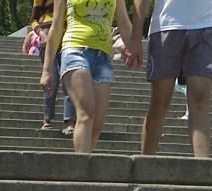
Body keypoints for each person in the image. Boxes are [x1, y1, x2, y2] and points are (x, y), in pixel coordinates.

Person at [39, 0, 141, 155]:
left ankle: (83, 161)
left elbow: (124, 22)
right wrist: (47, 69)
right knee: (86, 113)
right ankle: (83, 174)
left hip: (104, 57)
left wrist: (134, 47)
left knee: (97, 125)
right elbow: (56, 27)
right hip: (75, 50)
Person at [137, 0, 212, 157]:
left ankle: (202, 170)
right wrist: (135, 36)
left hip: (205, 26)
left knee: (200, 99)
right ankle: (145, 162)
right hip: (167, 26)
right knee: (160, 101)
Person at [25, 0, 75, 133]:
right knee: (51, 81)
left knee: (69, 81)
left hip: (68, 37)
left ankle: (70, 120)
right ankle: (47, 118)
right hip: (47, 37)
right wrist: (42, 34)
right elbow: (34, 19)